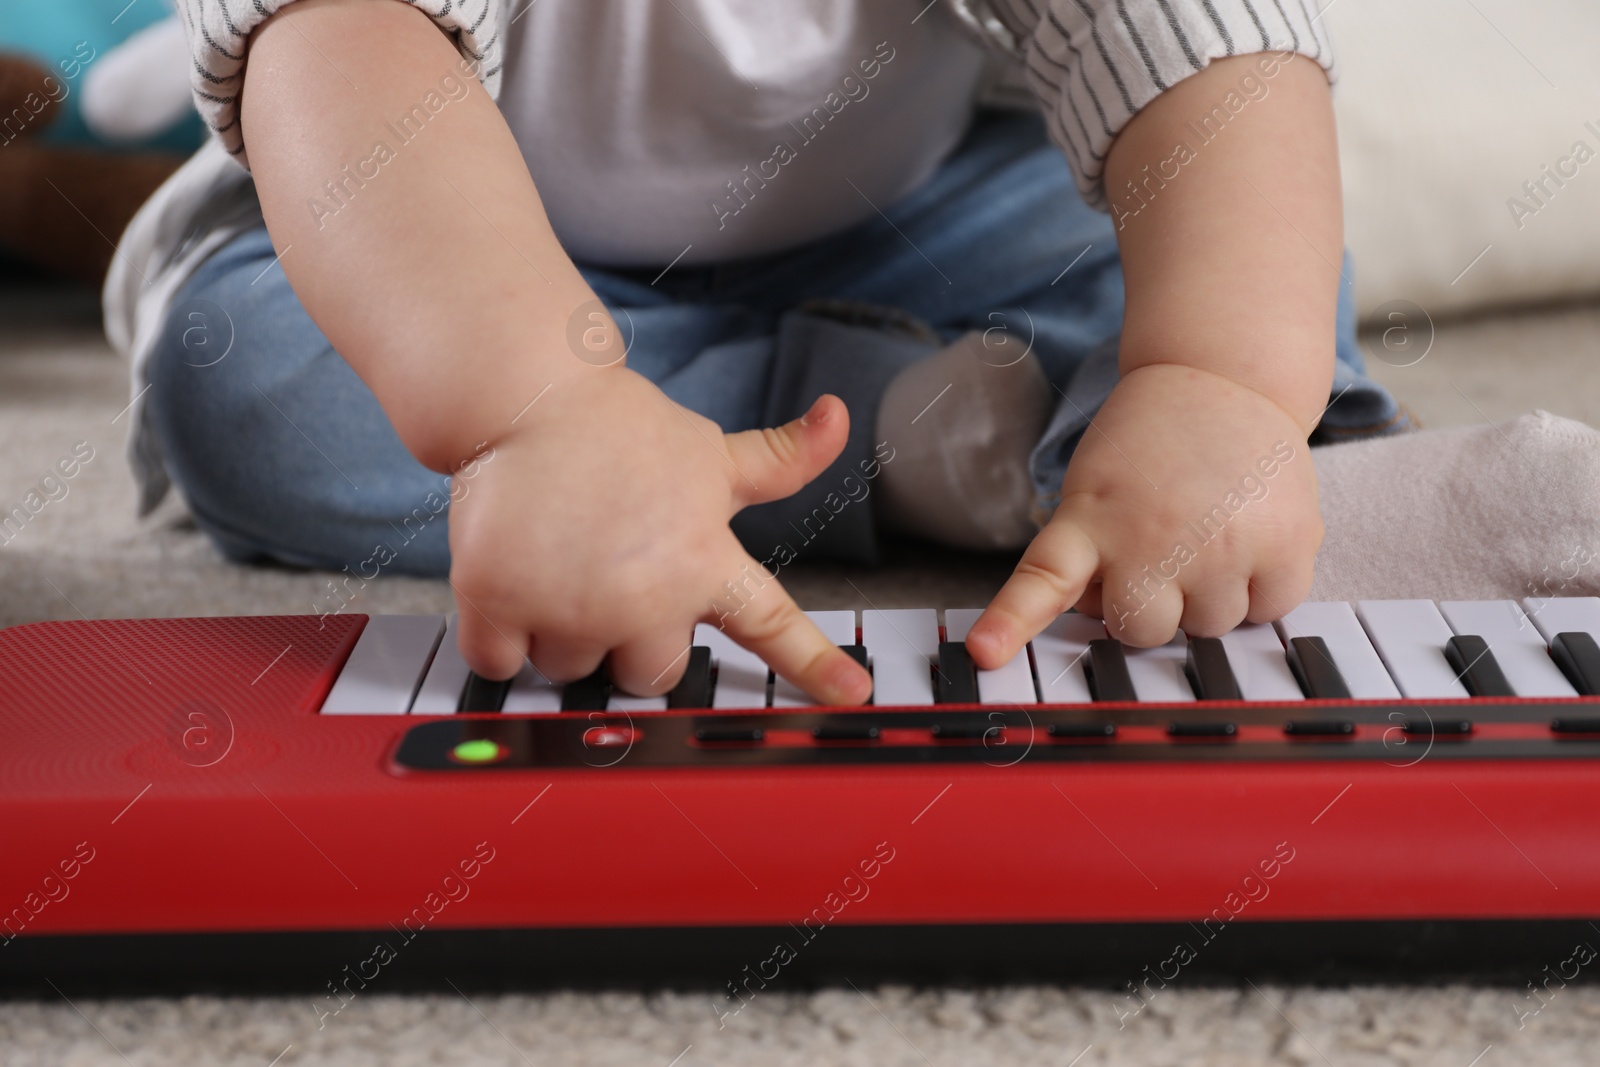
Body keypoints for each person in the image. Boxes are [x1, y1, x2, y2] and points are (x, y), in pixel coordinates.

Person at [115, 0, 1408, 703]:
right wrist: (536, 412)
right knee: (253, 389)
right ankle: (944, 441)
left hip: (908, 215)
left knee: (1243, 258)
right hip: (459, 246)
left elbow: (1206, 51)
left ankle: (1159, 436)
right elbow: (348, 50)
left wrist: (1221, 378)